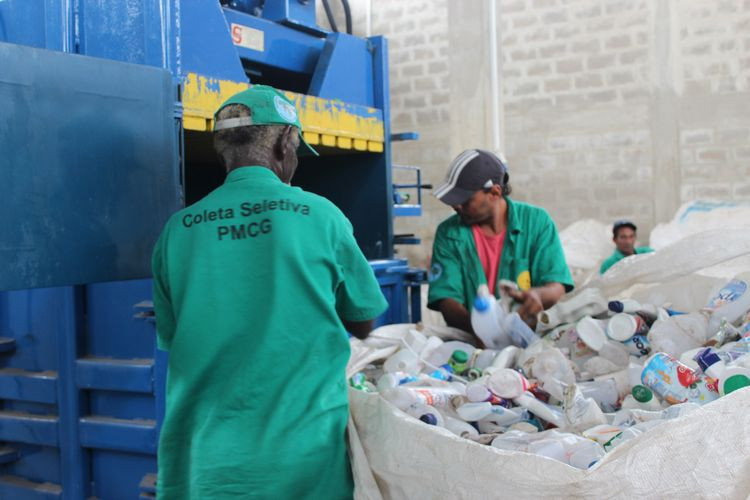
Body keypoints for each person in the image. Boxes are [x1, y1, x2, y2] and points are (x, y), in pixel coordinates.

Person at [151, 85, 388, 499]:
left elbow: (174, 337)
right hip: (302, 458)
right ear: (284, 144)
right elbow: (363, 319)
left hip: (206, 461)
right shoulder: (321, 216)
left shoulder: (176, 232)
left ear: (224, 149)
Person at [427, 149, 574, 333]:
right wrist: (482, 331)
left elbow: (555, 286)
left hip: (528, 336)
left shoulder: (536, 222)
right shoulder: (449, 233)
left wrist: (537, 295)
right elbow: (447, 299)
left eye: (464, 200)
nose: (456, 206)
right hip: (472, 340)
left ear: (495, 193)